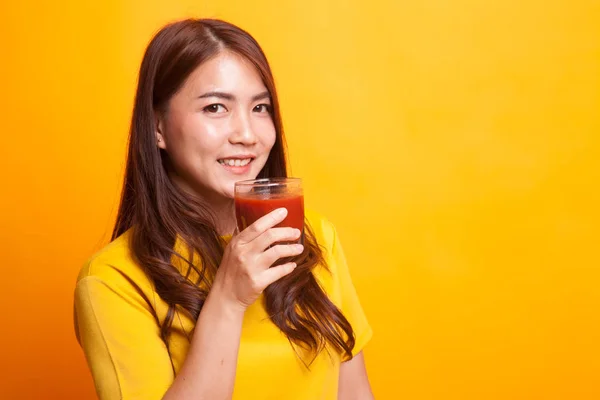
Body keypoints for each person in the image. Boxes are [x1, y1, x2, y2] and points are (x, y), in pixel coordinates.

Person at [73, 18, 374, 400]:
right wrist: (229, 300)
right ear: (156, 128)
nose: (247, 134)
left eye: (260, 107)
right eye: (216, 107)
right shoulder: (112, 281)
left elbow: (355, 393)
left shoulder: (315, 240)